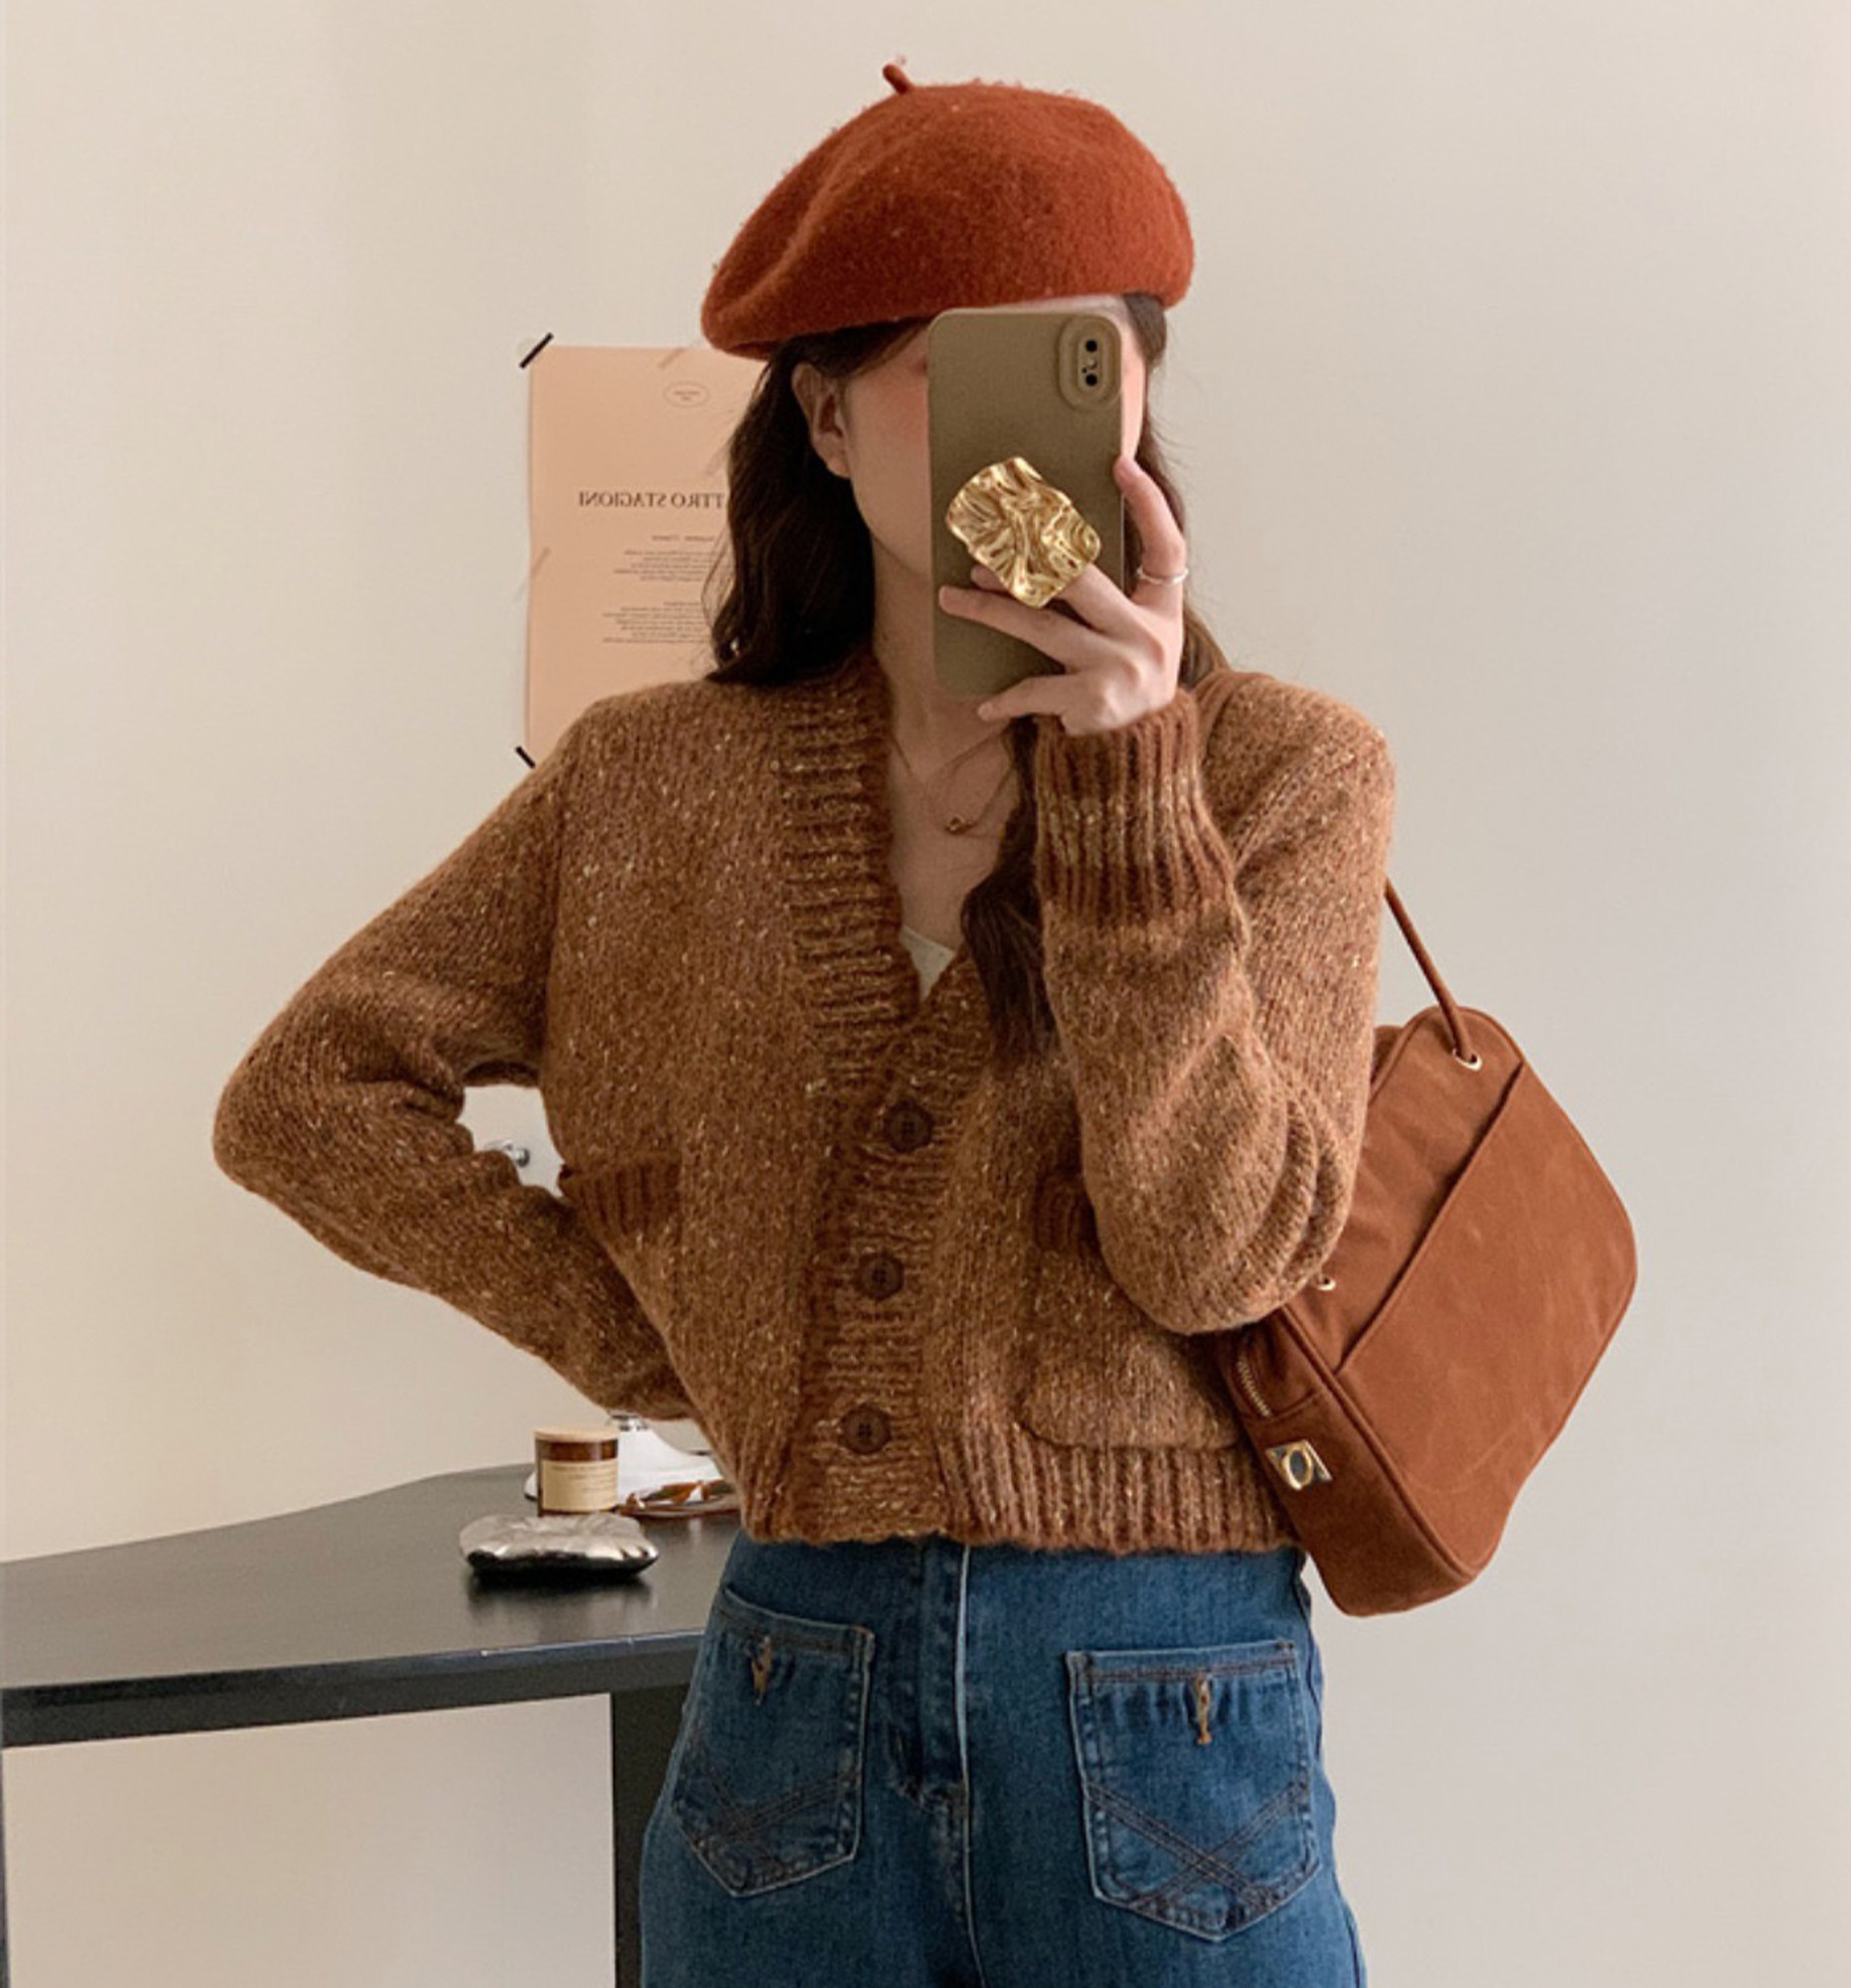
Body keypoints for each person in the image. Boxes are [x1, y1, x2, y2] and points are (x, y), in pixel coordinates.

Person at [213, 60, 1392, 1988]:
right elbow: (308, 1095)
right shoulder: (653, 781)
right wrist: (652, 1331)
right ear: (828, 418)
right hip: (793, 1685)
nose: (1028, 431)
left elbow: (1220, 1258)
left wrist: (1127, 793)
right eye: (960, 369)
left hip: (1165, 1701)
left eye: (1082, 363)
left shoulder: (1283, 772)